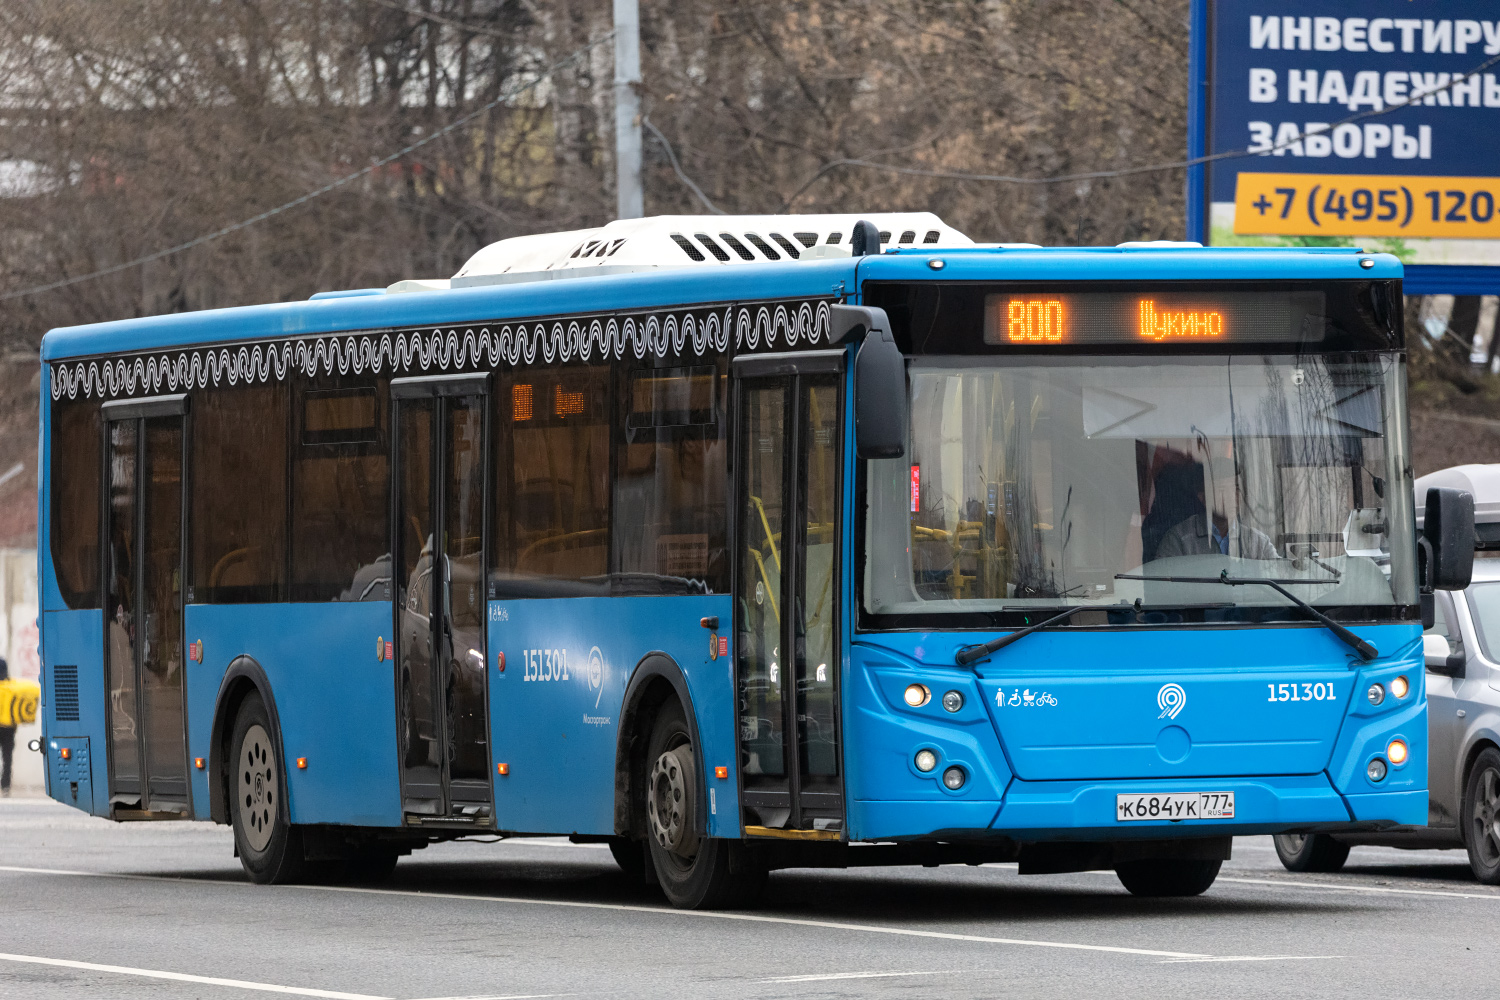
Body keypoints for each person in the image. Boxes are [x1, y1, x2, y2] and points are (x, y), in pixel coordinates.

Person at [1155, 459, 1278, 561]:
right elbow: (1163, 587)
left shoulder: (1258, 543)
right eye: (1222, 489)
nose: (1231, 496)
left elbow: (1281, 578)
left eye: (1235, 488)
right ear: (1202, 497)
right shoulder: (1179, 541)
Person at [0, 656, 13, 797]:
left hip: (7, 726)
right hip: (8, 726)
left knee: (7, 756)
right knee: (7, 756)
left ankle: (5, 785)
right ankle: (5, 785)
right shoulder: (9, 688)